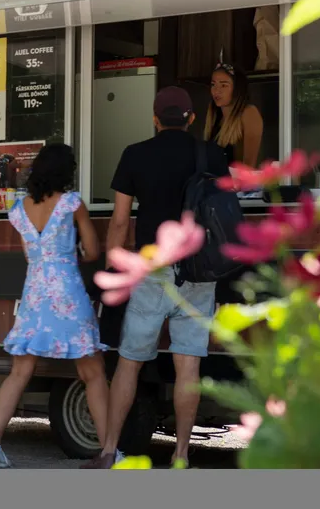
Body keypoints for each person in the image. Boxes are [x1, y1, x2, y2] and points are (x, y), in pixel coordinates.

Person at [89, 87, 230, 470]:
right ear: (191, 118)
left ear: (154, 118)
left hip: (151, 270)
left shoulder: (136, 155)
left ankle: (109, 451)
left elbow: (120, 221)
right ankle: (181, 456)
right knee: (188, 366)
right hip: (199, 271)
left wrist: (115, 275)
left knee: (130, 362)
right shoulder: (212, 155)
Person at [0, 143, 109, 469]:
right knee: (92, 373)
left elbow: (27, 255)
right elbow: (92, 251)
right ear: (66, 172)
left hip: (34, 292)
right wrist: (72, 249)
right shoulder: (72, 204)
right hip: (66, 292)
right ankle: (108, 451)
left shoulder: (20, 209)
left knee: (20, 372)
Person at [205, 62, 264, 168]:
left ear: (237, 89)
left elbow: (249, 167)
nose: (216, 90)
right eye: (213, 84)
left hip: (236, 183)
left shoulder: (249, 113)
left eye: (223, 85)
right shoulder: (214, 116)